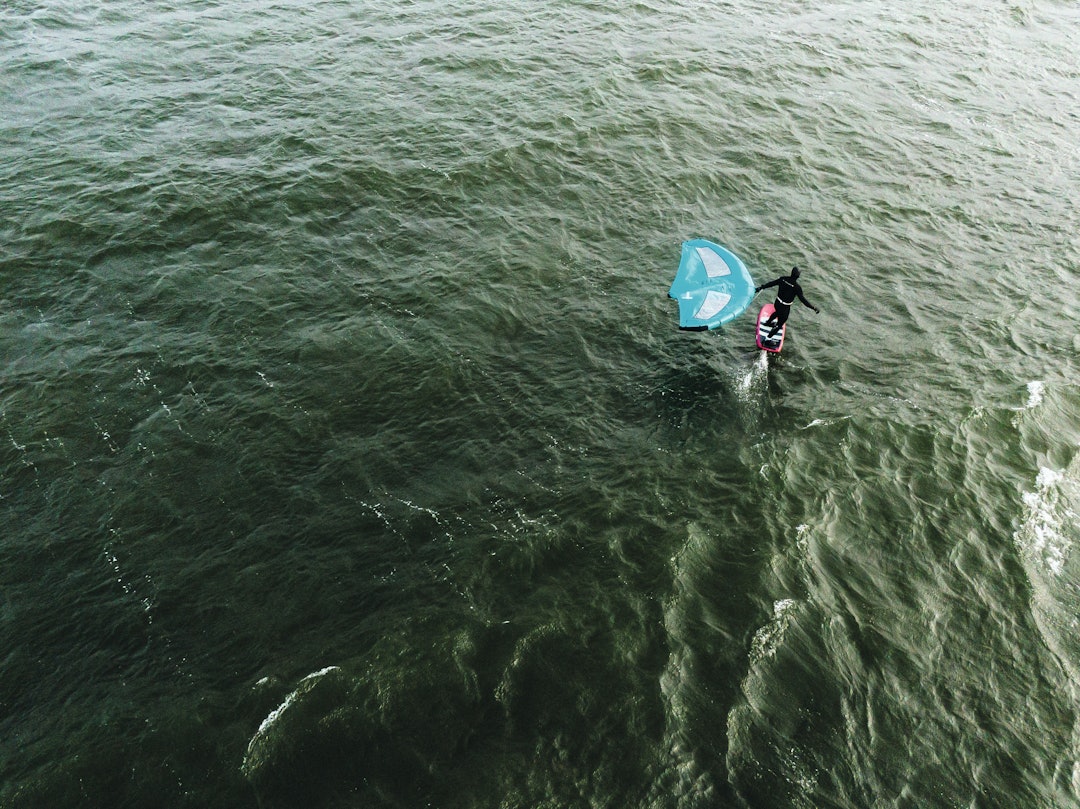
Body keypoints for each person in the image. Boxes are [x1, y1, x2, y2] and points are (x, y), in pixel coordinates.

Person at [754, 266, 820, 339]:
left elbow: (771, 283)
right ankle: (768, 339)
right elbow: (803, 300)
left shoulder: (783, 279)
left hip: (777, 303)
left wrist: (760, 287)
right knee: (779, 325)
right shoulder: (797, 287)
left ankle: (768, 323)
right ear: (798, 276)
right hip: (785, 308)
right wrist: (813, 307)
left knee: (777, 312)